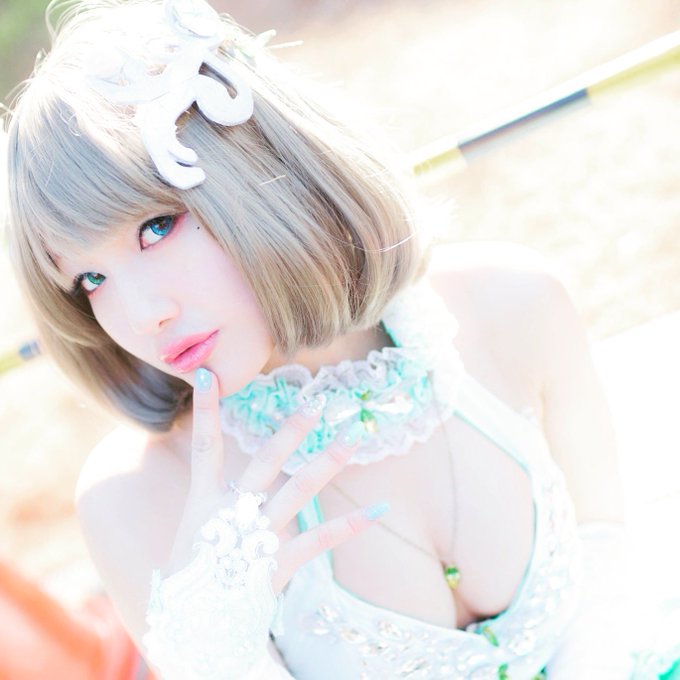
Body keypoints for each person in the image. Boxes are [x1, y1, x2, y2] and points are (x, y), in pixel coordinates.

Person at [3, 0, 678, 677]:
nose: (138, 315)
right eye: (90, 279)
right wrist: (214, 652)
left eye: (155, 228)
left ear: (257, 173)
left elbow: (605, 542)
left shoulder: (512, 301)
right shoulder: (136, 495)